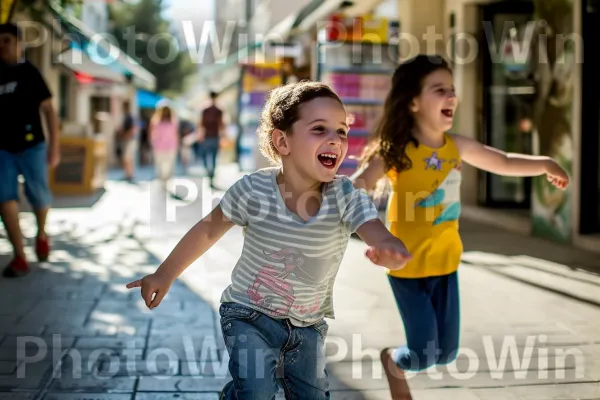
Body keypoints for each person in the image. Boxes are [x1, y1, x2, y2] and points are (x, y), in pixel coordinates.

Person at [126, 81, 413, 399]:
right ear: (282, 141)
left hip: (308, 324)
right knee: (257, 391)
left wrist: (390, 249)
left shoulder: (345, 195)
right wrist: (165, 273)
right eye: (320, 129)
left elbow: (374, 230)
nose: (335, 139)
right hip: (248, 313)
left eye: (342, 131)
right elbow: (208, 230)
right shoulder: (253, 190)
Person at [352, 55, 570, 399]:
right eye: (440, 90)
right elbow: (356, 187)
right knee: (423, 354)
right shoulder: (396, 151)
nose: (451, 96)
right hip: (407, 268)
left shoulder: (457, 146)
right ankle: (394, 361)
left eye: (452, 89)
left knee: (448, 353)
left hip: (447, 264)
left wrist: (545, 163)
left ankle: (398, 360)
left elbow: (504, 161)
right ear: (413, 101)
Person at [0, 23, 61, 278]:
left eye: (7, 40)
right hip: (3, 149)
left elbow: (48, 110)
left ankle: (42, 233)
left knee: (40, 197)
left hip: (33, 146)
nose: (1, 46)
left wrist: (54, 147)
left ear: (18, 43)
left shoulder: (30, 72)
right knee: (4, 199)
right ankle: (20, 256)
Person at [197, 91, 224, 188]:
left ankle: (209, 172)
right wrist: (223, 136)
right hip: (215, 136)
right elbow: (221, 124)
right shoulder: (219, 110)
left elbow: (200, 123)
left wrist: (199, 135)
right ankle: (211, 176)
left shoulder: (205, 109)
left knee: (204, 155)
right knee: (213, 157)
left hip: (206, 136)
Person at [149, 105, 179, 185]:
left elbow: (152, 134)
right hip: (170, 146)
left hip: (159, 147)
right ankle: (166, 181)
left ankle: (162, 181)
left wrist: (153, 142)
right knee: (169, 165)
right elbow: (175, 135)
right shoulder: (173, 122)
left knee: (160, 165)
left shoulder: (155, 121)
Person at [119, 101, 137, 182]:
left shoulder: (129, 117)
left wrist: (126, 135)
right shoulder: (127, 116)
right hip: (128, 139)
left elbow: (133, 128)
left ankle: (129, 175)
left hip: (129, 140)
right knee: (127, 158)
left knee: (128, 158)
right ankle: (128, 174)